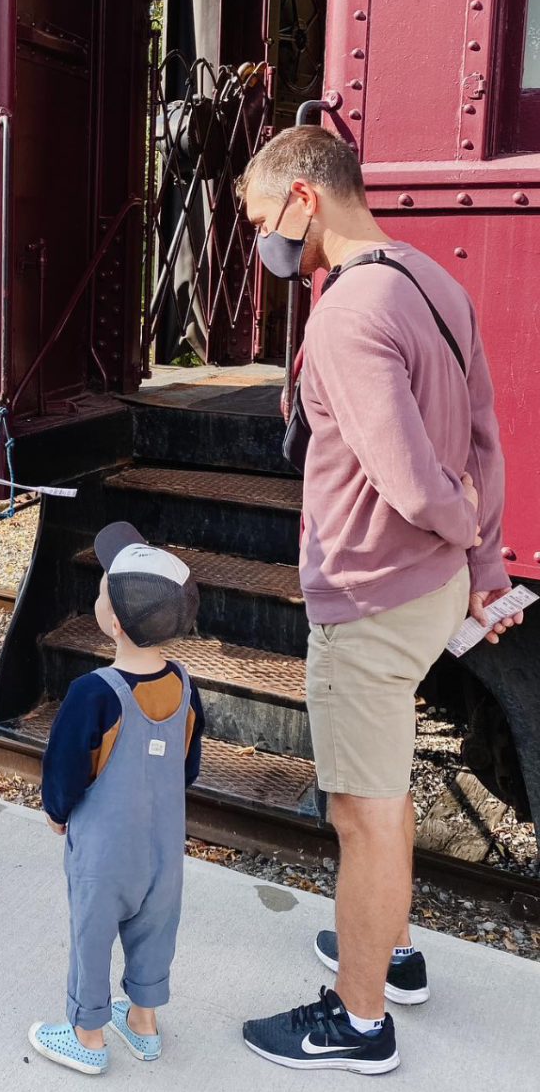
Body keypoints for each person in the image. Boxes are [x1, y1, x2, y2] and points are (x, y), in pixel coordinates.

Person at [235, 125, 523, 1074]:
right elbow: (483, 435)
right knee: (387, 785)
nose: (264, 242)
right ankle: (391, 951)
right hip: (431, 588)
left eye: (262, 221)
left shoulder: (347, 312)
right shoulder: (433, 280)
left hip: (368, 596)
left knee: (362, 813)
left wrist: (455, 520)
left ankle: (358, 1023)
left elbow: (406, 475)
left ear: (304, 198)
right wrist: (481, 558)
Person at [29, 522, 203, 1075]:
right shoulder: (184, 685)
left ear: (115, 622)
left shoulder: (92, 693)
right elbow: (187, 765)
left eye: (103, 590)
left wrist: (57, 813)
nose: (98, 594)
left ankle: (87, 1035)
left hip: (104, 858)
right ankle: (144, 1025)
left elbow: (64, 769)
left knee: (91, 936)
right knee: (155, 932)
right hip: (163, 853)